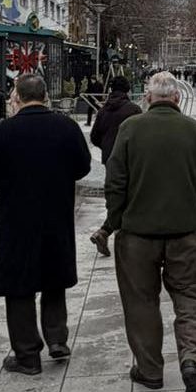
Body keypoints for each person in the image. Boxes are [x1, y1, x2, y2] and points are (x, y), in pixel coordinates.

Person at [104, 71, 196, 392]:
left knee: (140, 302)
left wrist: (117, 220)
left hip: (137, 237)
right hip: (186, 235)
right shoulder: (195, 131)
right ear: (178, 98)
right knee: (193, 300)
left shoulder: (130, 130)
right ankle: (191, 361)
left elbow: (115, 182)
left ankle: (150, 370)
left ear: (148, 98)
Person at [0, 73, 91, 375]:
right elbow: (83, 166)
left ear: (17, 98)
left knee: (19, 285)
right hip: (56, 212)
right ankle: (56, 339)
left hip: (16, 218)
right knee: (54, 277)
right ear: (45, 97)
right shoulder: (66, 127)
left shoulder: (3, 132)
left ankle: (27, 353)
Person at [87, 77, 142, 259]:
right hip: (129, 158)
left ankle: (107, 231)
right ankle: (110, 232)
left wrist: (107, 148)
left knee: (116, 193)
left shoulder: (103, 111)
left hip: (110, 158)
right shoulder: (134, 110)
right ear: (127, 90)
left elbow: (94, 136)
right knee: (131, 194)